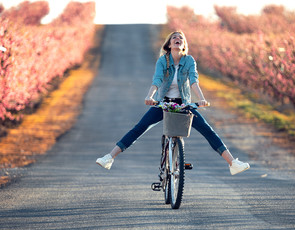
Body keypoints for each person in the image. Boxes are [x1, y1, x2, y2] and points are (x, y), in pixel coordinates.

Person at [96, 30, 250, 175]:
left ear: (184, 45)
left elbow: (194, 81)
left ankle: (232, 164)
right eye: (174, 37)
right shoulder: (163, 61)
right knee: (140, 128)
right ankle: (109, 158)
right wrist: (150, 96)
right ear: (169, 44)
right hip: (163, 103)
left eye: (181, 38)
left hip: (183, 104)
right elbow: (157, 80)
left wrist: (201, 99)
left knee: (207, 130)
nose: (178, 39)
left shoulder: (189, 60)